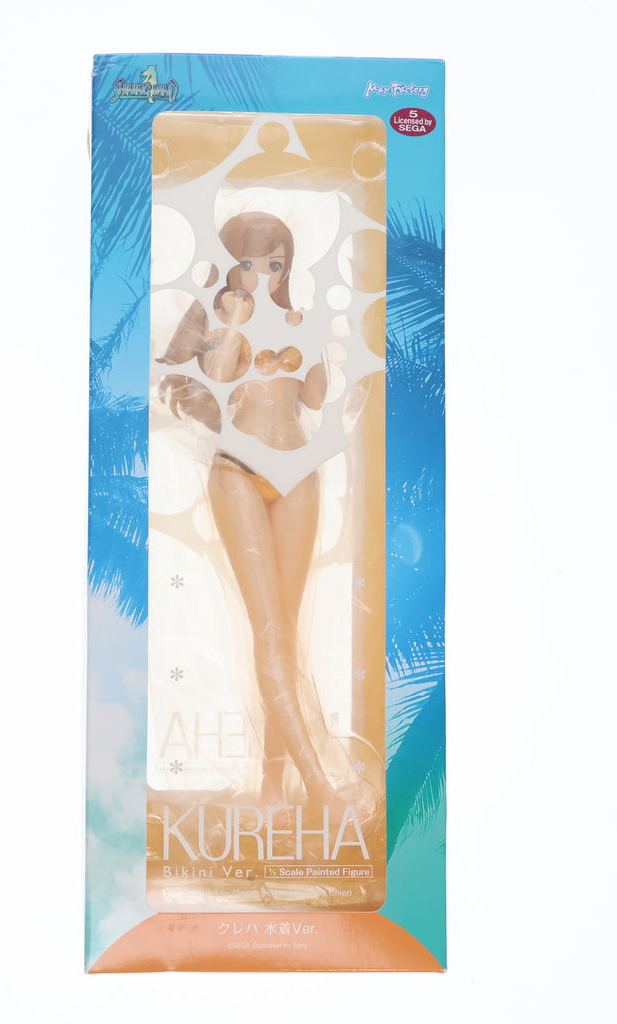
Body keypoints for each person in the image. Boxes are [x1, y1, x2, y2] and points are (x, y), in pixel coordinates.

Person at [157, 211, 373, 820]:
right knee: (270, 633)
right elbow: (214, 387)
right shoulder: (220, 320)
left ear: (286, 269)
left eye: (274, 265)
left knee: (288, 631)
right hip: (237, 471)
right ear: (230, 265)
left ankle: (274, 785)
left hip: (298, 473)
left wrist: (311, 334)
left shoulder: (292, 319)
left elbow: (315, 396)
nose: (261, 276)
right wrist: (232, 323)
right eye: (248, 264)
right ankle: (321, 788)